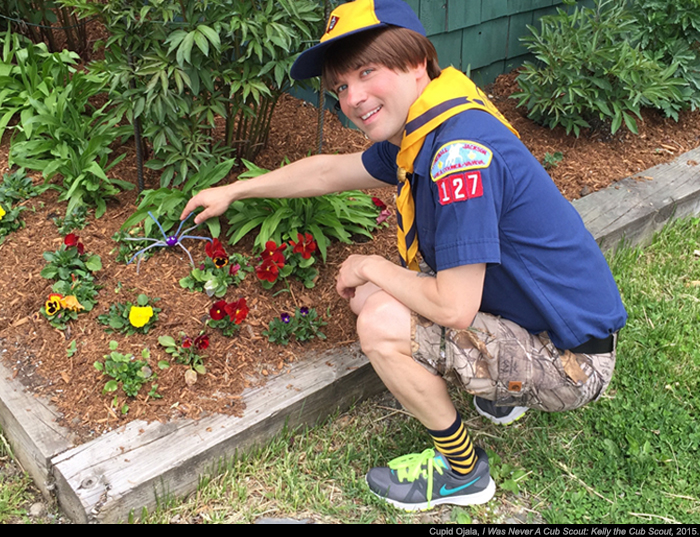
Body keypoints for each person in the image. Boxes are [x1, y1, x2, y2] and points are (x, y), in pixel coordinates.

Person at [181, 0, 627, 512]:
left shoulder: (460, 155)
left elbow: (455, 309)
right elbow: (329, 172)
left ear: (417, 61)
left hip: (573, 361)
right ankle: (501, 394)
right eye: (342, 85)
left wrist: (371, 263)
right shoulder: (426, 128)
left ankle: (462, 473)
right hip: (538, 319)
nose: (353, 97)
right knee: (374, 298)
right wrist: (237, 190)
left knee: (379, 319)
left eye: (367, 72)